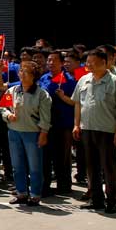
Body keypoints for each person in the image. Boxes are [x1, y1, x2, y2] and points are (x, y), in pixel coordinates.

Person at [72, 47, 116, 214]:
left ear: (104, 63)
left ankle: (111, 200)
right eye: (87, 62)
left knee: (109, 167)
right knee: (92, 166)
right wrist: (76, 124)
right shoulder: (84, 80)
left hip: (107, 131)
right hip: (87, 129)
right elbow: (77, 103)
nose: (89, 65)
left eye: (93, 63)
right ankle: (96, 199)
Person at [0, 61, 52, 206]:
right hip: (14, 131)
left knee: (35, 166)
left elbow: (45, 117)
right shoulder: (12, 90)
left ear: (34, 76)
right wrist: (8, 115)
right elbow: (2, 107)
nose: (22, 74)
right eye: (21, 71)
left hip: (32, 133)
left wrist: (43, 133)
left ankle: (35, 195)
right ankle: (21, 192)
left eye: (26, 72)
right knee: (17, 165)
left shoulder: (42, 94)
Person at [39, 51, 77, 196]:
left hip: (63, 123)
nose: (51, 63)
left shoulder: (69, 80)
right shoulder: (44, 78)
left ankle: (64, 185)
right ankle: (45, 185)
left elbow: (76, 102)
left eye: (54, 60)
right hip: (46, 122)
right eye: (49, 60)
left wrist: (63, 96)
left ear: (61, 63)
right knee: (45, 156)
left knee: (62, 156)